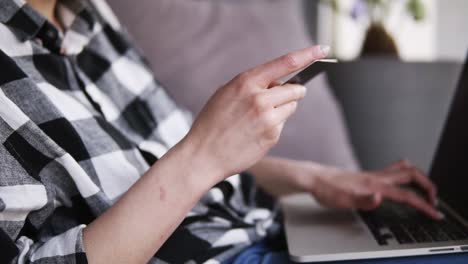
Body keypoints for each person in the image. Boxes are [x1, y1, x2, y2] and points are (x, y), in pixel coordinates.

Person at [0, 0, 443, 263]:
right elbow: (193, 163)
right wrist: (203, 153)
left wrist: (314, 179)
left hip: (264, 232)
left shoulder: (89, 15)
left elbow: (165, 162)